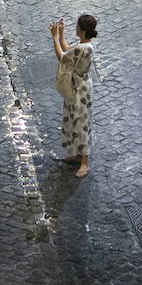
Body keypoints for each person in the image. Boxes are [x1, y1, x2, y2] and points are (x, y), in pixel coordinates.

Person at [50, 15, 96, 177]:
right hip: (78, 86)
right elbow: (69, 51)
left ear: (82, 30)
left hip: (80, 90)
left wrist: (55, 38)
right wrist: (61, 35)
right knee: (74, 119)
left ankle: (85, 162)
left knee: (82, 123)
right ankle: (78, 155)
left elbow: (62, 57)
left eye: (77, 26)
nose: (75, 28)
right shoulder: (84, 45)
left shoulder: (83, 48)